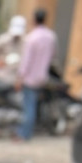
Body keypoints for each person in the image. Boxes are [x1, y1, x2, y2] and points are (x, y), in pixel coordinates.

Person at [15, 8, 58, 141]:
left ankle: (24, 134)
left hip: (30, 78)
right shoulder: (51, 37)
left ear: (34, 20)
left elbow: (26, 61)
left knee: (29, 107)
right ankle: (32, 129)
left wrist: (20, 78)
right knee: (36, 104)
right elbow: (52, 56)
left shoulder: (31, 38)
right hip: (42, 77)